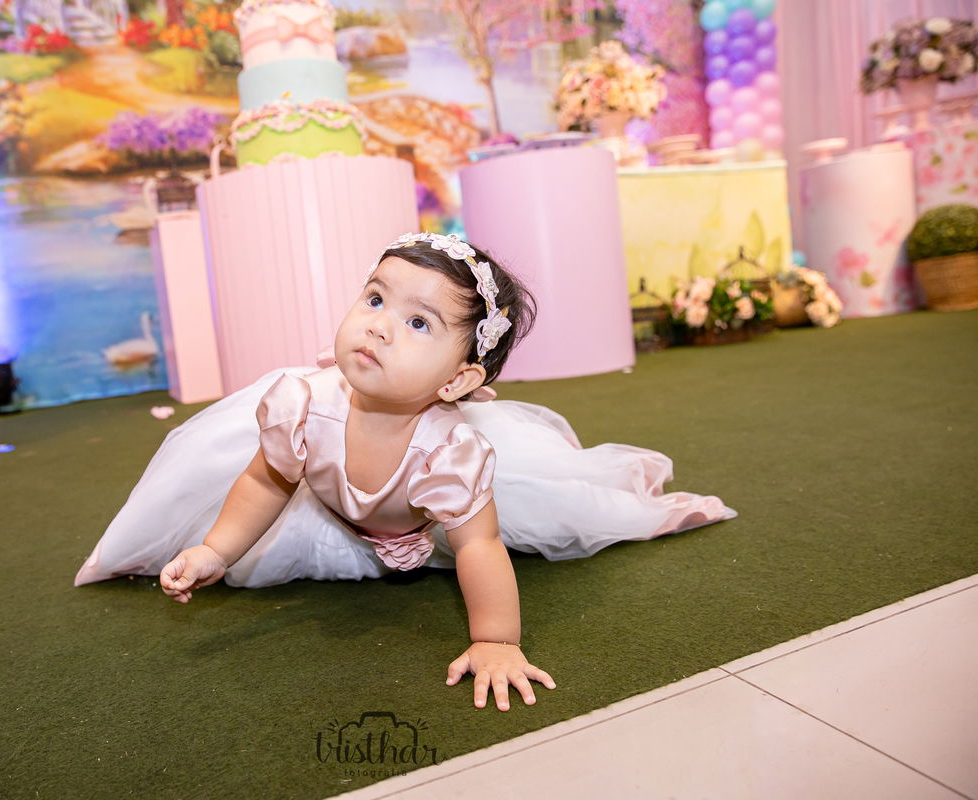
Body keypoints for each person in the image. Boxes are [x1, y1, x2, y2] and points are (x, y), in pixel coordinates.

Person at [75, 232, 736, 712]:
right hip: (328, 512)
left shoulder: (449, 454)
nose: (380, 328)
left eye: (418, 322)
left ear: (458, 380)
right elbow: (265, 482)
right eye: (374, 300)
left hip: (425, 520)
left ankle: (645, 507)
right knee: (237, 542)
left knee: (556, 509)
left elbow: (477, 545)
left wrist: (497, 640)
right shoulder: (302, 406)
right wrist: (217, 550)